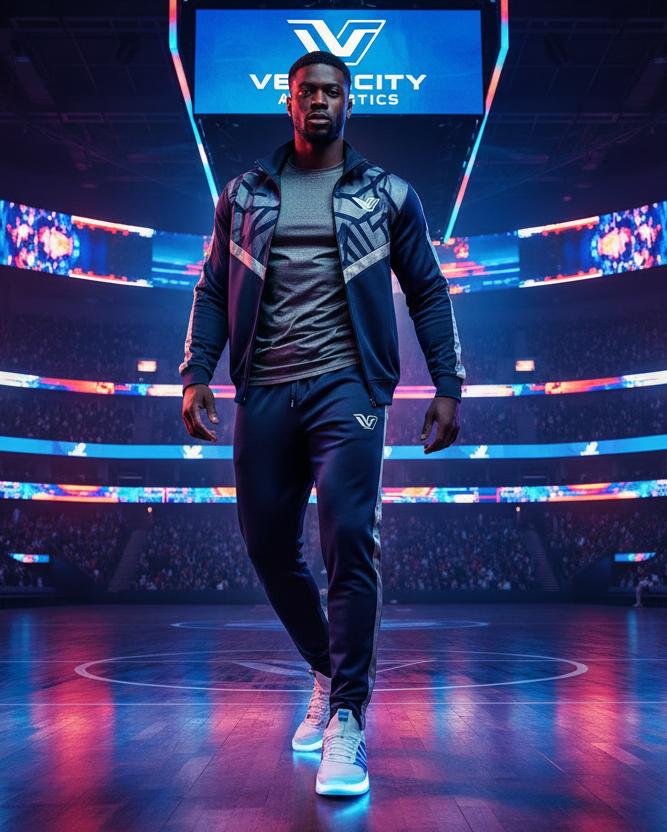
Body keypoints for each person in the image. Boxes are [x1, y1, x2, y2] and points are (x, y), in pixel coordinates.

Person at [180, 51, 464, 797]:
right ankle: (324, 665)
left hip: (351, 390)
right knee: (267, 546)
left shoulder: (389, 196)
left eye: (331, 92)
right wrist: (194, 375)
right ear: (288, 102)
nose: (319, 102)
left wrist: (448, 384)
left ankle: (347, 719)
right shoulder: (242, 195)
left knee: (347, 539)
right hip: (264, 391)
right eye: (306, 92)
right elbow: (213, 291)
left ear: (349, 103)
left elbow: (429, 293)